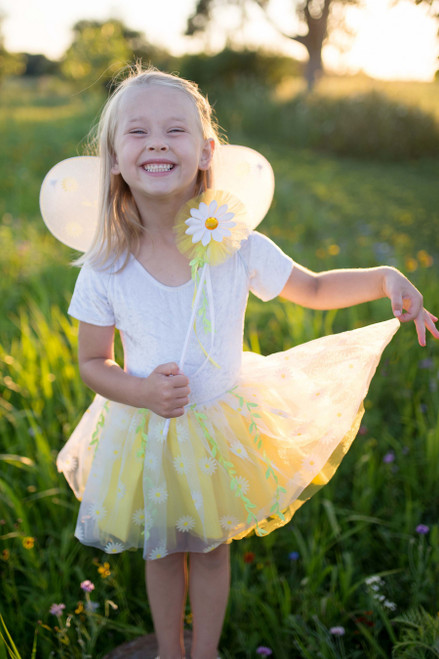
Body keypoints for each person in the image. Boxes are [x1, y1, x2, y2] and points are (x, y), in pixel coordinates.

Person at [51, 65, 438, 659]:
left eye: (175, 129)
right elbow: (92, 363)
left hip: (222, 425)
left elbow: (310, 288)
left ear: (206, 152)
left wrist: (382, 275)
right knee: (162, 548)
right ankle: (170, 651)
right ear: (113, 158)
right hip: (148, 427)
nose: (157, 141)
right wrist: (142, 391)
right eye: (138, 132)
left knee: (208, 547)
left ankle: (203, 650)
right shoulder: (107, 266)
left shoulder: (235, 243)